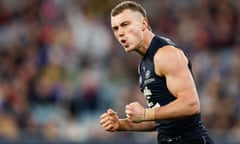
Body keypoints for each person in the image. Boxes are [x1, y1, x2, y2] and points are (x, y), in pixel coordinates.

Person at [99, 1, 214, 144]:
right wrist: (122, 125)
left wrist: (146, 113)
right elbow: (162, 119)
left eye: (125, 24)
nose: (120, 33)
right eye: (115, 28)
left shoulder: (165, 54)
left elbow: (191, 104)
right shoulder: (144, 64)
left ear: (143, 24)